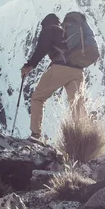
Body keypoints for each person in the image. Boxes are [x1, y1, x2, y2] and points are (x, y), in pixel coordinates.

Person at [21, 12, 89, 143]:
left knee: (38, 98)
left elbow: (41, 49)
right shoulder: (68, 33)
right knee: (77, 104)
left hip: (60, 68)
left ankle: (35, 135)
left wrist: (29, 66)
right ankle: (85, 137)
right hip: (78, 71)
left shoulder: (50, 29)